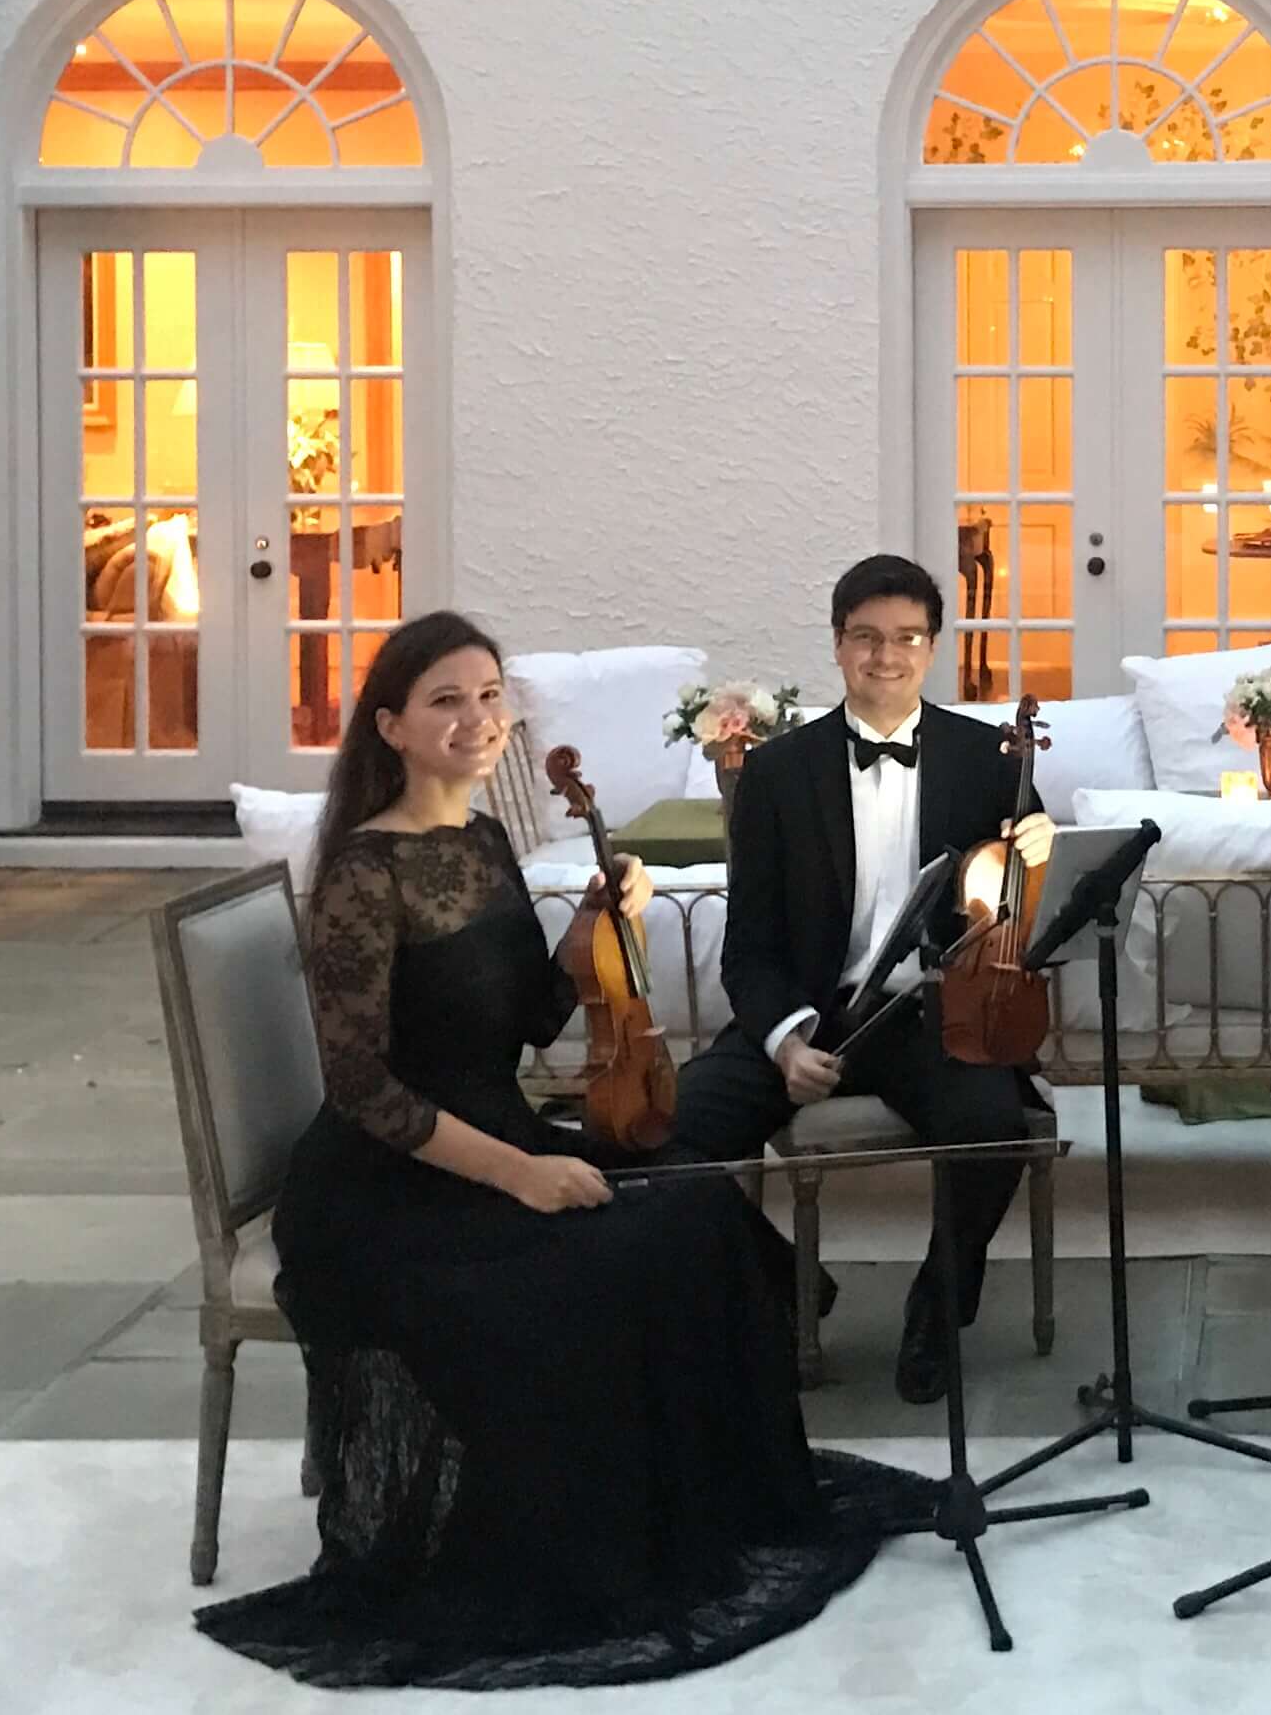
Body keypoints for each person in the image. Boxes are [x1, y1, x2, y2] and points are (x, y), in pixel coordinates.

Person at [198, 611, 924, 1691]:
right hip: (392, 1190)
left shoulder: (484, 842)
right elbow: (361, 1090)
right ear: (390, 724)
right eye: (446, 699)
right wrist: (524, 1176)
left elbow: (536, 1016)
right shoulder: (362, 872)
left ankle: (687, 1504)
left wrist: (598, 921)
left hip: (498, 1133)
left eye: (490, 695)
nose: (477, 718)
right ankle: (588, 1536)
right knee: (620, 1254)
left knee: (697, 1207)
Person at [666, 553, 1055, 1404]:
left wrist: (1037, 841)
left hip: (927, 1014)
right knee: (670, 1138)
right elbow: (748, 946)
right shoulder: (775, 772)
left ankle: (936, 1307)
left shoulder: (986, 757)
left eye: (906, 638)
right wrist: (782, 1040)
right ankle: (788, 1283)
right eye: (866, 639)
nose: (886, 656)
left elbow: (1023, 894)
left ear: (934, 646)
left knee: (994, 1128)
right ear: (838, 646)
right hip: (813, 1011)